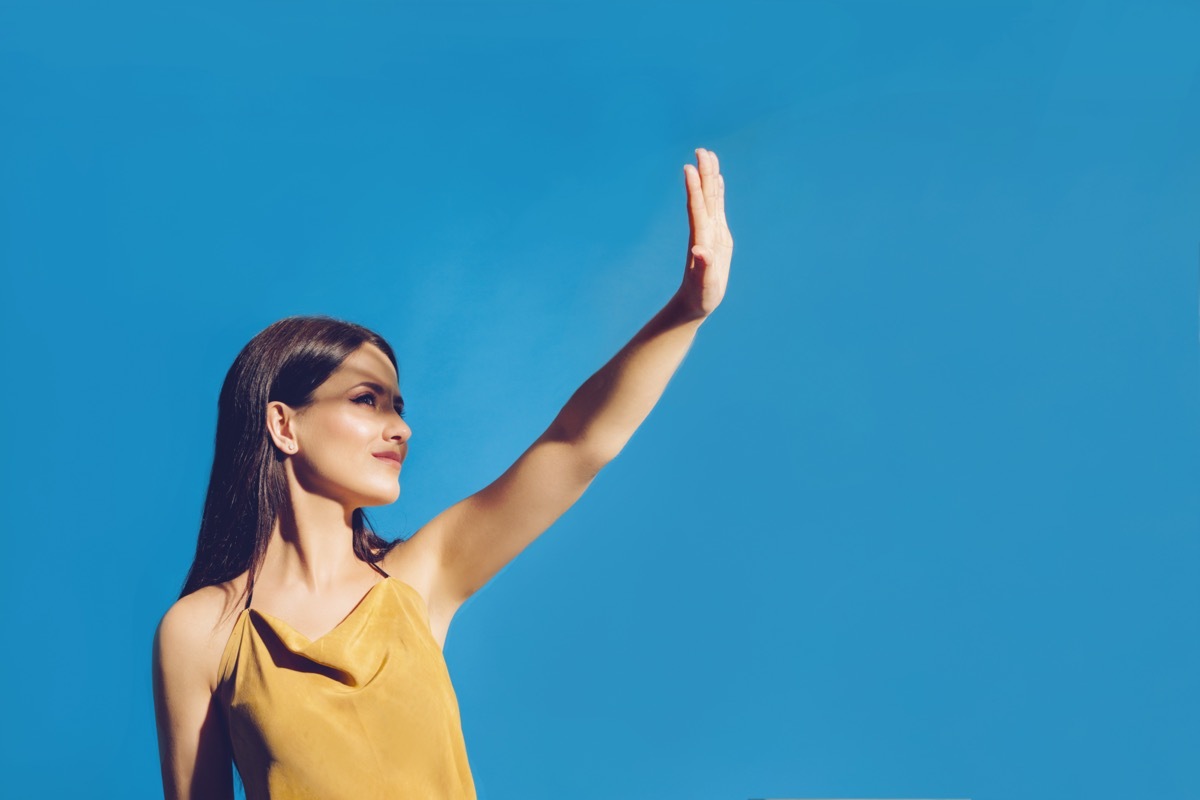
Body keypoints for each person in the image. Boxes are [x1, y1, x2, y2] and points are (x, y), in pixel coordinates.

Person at [152, 148, 734, 799]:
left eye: (399, 407)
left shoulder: (418, 579)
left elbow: (577, 445)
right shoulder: (202, 633)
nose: (399, 428)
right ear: (284, 424)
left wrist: (686, 309)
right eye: (366, 401)